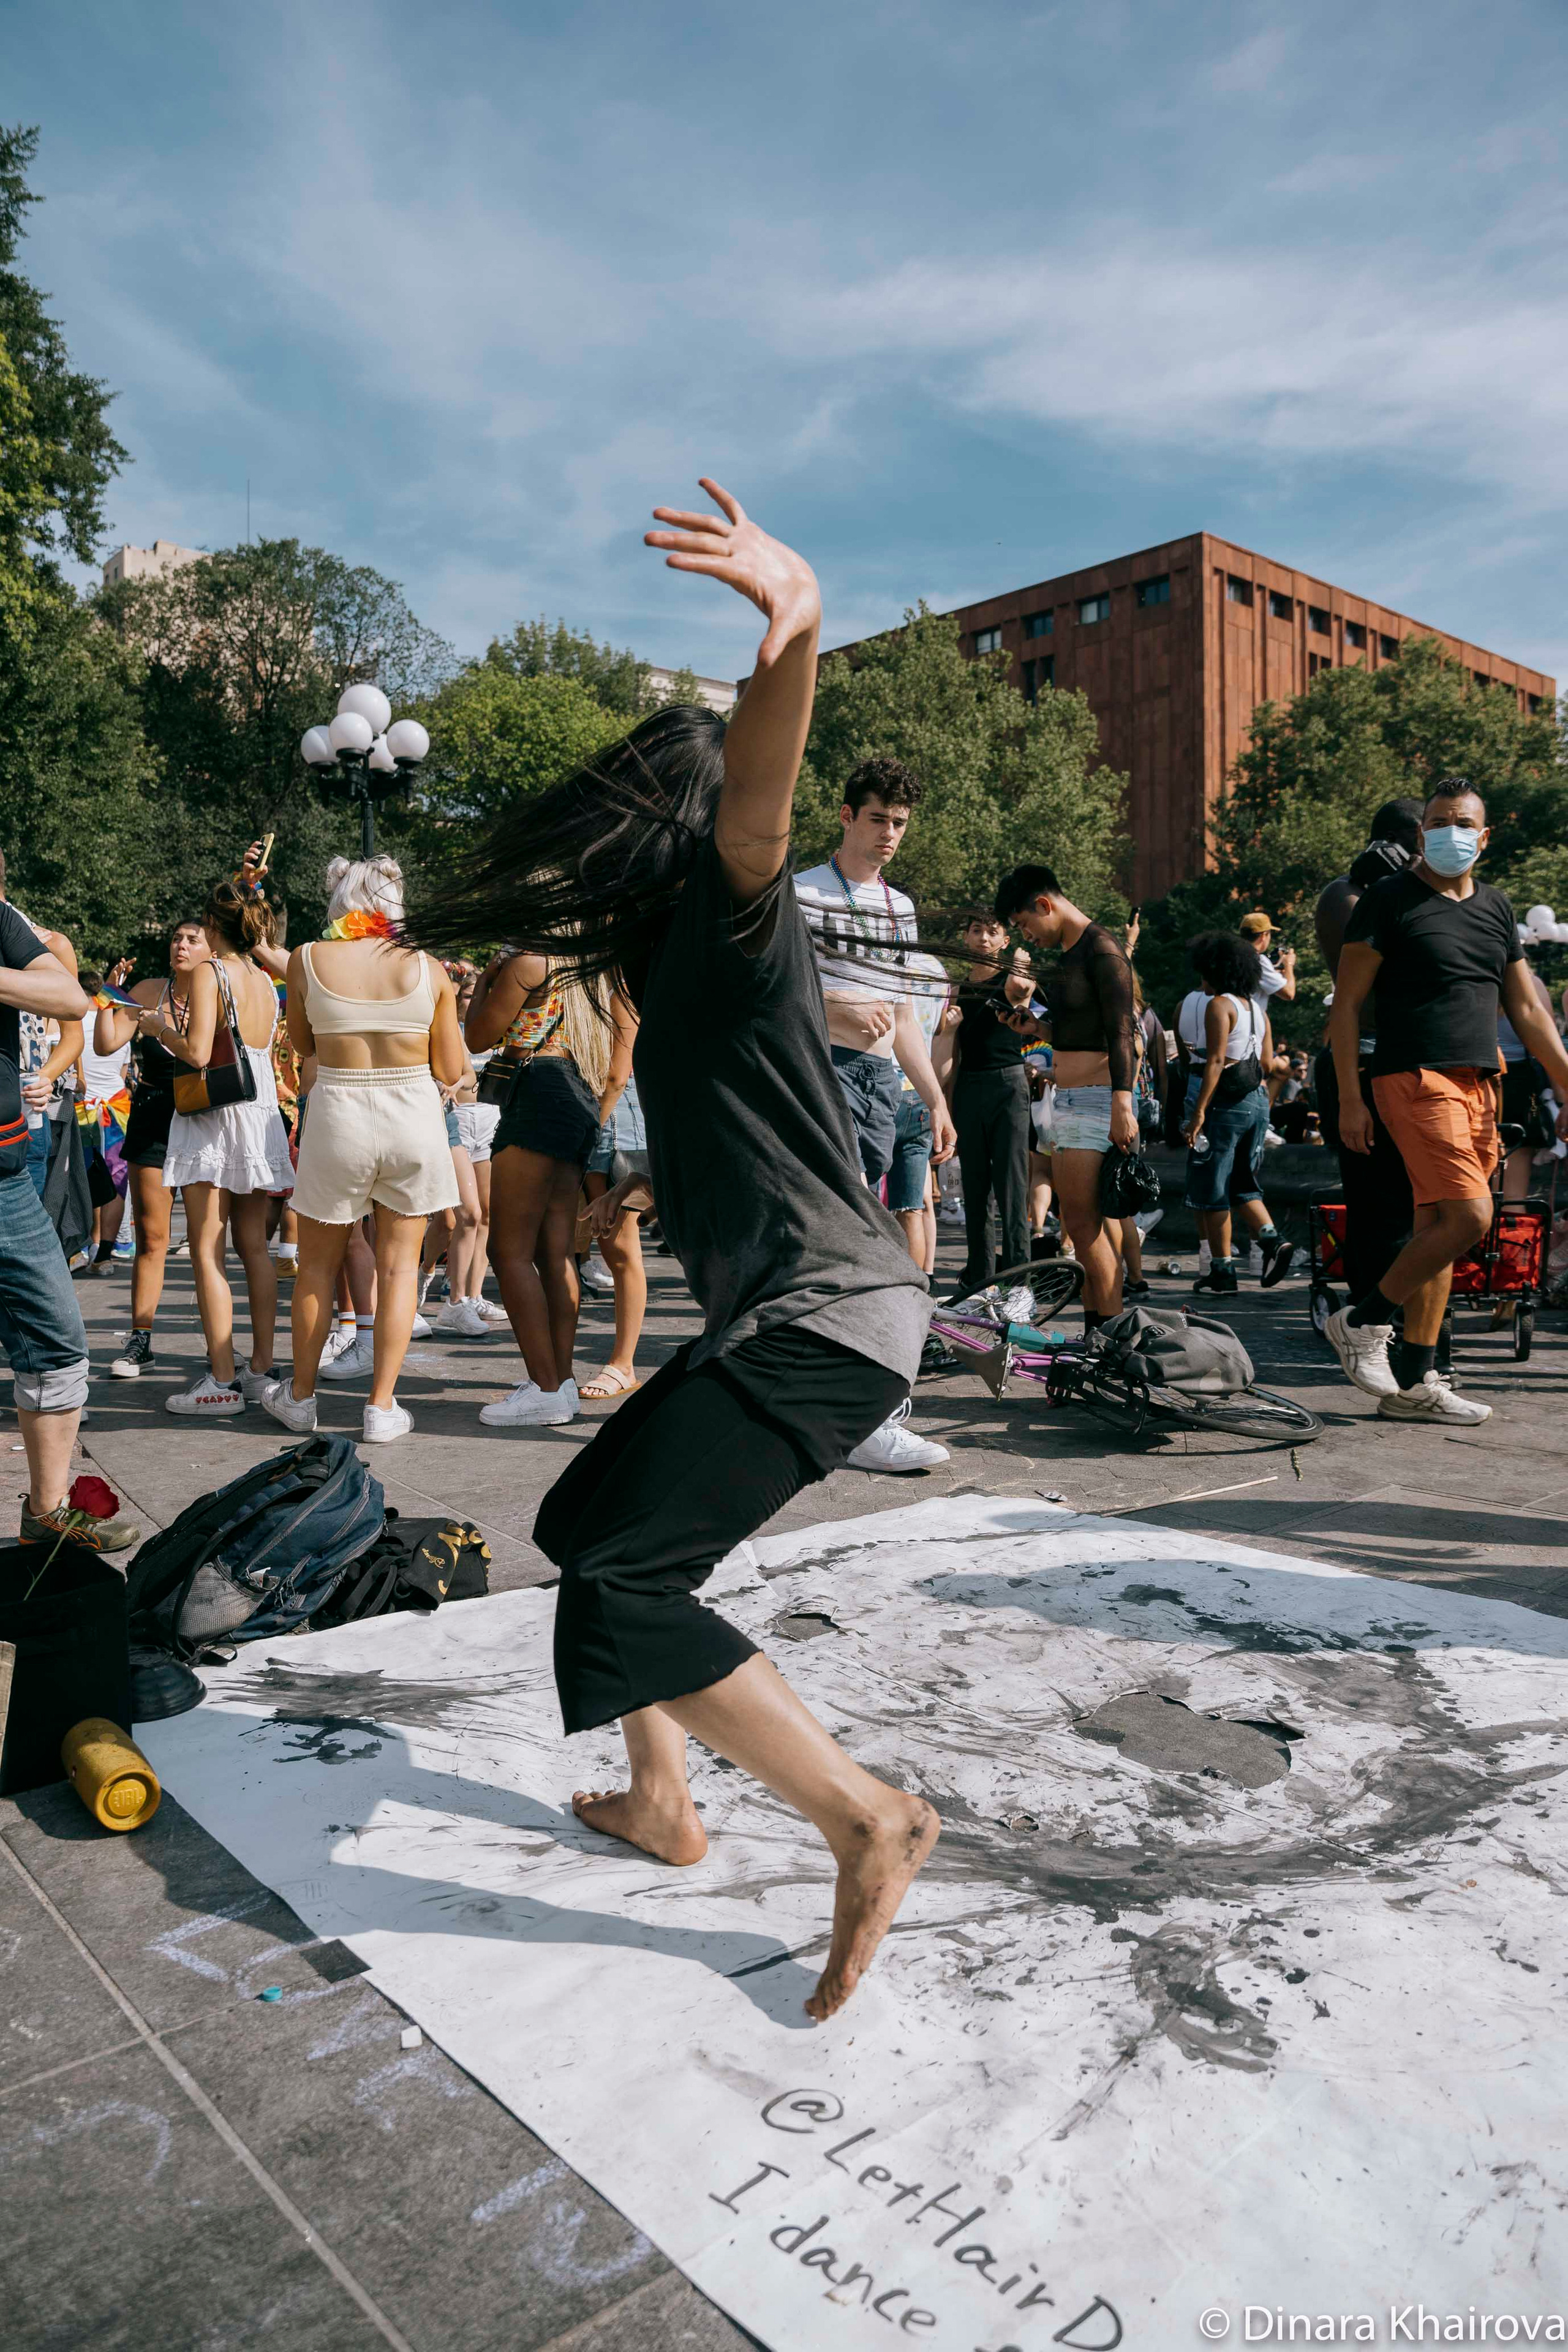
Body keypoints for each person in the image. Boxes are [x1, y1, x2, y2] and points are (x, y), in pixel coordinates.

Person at [419, 480, 940, 2021]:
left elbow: (759, 811)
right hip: (792, 1315)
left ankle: (865, 1815)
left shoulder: (726, 909)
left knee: (625, 1579)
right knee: (595, 1524)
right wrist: (634, 1190)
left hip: (830, 1323)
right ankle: (663, 1798)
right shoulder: (667, 951)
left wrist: (794, 634)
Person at [1326, 780, 1568, 1422]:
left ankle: (1414, 1383)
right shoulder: (1386, 899)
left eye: (1461, 822)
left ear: (1483, 836)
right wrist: (1350, 1097)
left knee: (1436, 1228)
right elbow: (1345, 1007)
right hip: (1411, 1075)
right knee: (1470, 1217)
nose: (1447, 832)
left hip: (1479, 1083)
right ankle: (1361, 1321)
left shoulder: (1495, 906)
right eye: (1436, 822)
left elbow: (1526, 1010)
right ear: (1420, 832)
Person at [262, 854, 462, 1444]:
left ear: (340, 901)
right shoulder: (429, 968)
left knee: (318, 1266)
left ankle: (300, 1398)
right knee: (401, 1268)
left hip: (339, 1114)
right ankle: (381, 1406)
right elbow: (450, 1067)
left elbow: (303, 1042)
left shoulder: (306, 959)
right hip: (413, 1117)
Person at [792, 756, 956, 1473]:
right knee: (855, 1251)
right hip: (818, 1074)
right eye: (879, 819)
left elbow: (906, 1017)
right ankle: (863, 1416)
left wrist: (933, 1094)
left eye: (900, 823)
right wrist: (837, 1006)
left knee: (862, 1245)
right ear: (846, 816)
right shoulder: (800, 892)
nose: (890, 833)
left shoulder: (900, 907)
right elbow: (767, 993)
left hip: (881, 1082)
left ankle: (841, 1408)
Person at [1, 899, 138, 1552]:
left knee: (57, 1339)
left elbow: (70, 1005)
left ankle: (47, 1513)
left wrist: (51, 1075)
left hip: (11, 1162)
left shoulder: (11, 926)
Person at [156, 880, 296, 1417]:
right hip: (257, 1107)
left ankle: (220, 1380)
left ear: (213, 928)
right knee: (254, 1247)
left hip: (214, 1111)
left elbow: (195, 1051)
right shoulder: (263, 979)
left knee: (206, 1247)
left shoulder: (210, 974)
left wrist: (157, 1027)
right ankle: (261, 1369)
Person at [463, 956, 609, 1427]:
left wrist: (486, 981)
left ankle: (546, 1387)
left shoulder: (531, 962)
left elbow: (477, 1037)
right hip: (576, 1094)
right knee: (556, 1253)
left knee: (509, 1252)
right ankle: (559, 1382)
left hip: (538, 1094)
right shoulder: (593, 966)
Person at [994, 864, 1138, 1327]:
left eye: (1024, 924)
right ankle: (1098, 1330)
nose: (1027, 935)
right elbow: (1083, 1033)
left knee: (1085, 1226)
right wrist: (1037, 1028)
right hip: (1072, 1100)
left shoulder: (1103, 950)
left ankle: (1111, 1335)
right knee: (1078, 1225)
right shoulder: (1072, 952)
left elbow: (1122, 1035)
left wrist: (1123, 1103)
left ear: (1045, 905)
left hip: (1098, 1101)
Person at [1313, 798, 1423, 1309]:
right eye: (1426, 838)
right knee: (1379, 1200)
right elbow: (1384, 970)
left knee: (1404, 1202)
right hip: (1364, 1059)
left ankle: (1388, 1308)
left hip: (1406, 1059)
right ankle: (1374, 1310)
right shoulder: (1347, 895)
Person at [92, 919, 211, 1378]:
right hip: (155, 1115)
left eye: (192, 940)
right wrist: (111, 996)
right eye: (177, 939)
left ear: (209, 949)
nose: (181, 946)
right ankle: (140, 1339)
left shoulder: (217, 988)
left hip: (203, 1117)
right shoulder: (151, 990)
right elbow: (106, 1044)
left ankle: (217, 1348)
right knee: (152, 1237)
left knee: (206, 1244)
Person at [1180, 931, 1294, 1295]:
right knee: (1244, 1182)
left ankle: (1222, 1271)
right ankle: (1273, 1241)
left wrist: (1199, 1112)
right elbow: (1266, 1062)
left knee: (1213, 1187)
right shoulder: (1257, 1010)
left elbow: (1215, 1061)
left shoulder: (1220, 1005)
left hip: (1226, 1103)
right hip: (1256, 1102)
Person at [946, 913, 1035, 1294]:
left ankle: (1019, 1286)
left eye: (992, 932)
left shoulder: (1012, 976)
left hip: (1009, 1085)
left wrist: (1019, 958)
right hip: (969, 1087)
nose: (983, 938)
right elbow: (951, 1050)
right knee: (975, 1188)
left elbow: (1021, 989)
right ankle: (980, 1283)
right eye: (977, 931)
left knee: (1012, 1188)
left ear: (1004, 938)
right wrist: (945, 1107)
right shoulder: (957, 986)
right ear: (966, 937)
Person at [576, 986, 648, 1401]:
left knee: (619, 1247)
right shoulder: (601, 982)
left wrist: (589, 1131)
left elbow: (617, 1075)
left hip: (613, 1116)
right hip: (605, 1110)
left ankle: (622, 1364)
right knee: (608, 1244)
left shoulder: (618, 984)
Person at [1239, 910, 1297, 1003]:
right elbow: (1289, 993)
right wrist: (1289, 964)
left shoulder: (1235, 956)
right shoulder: (1258, 960)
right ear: (1264, 935)